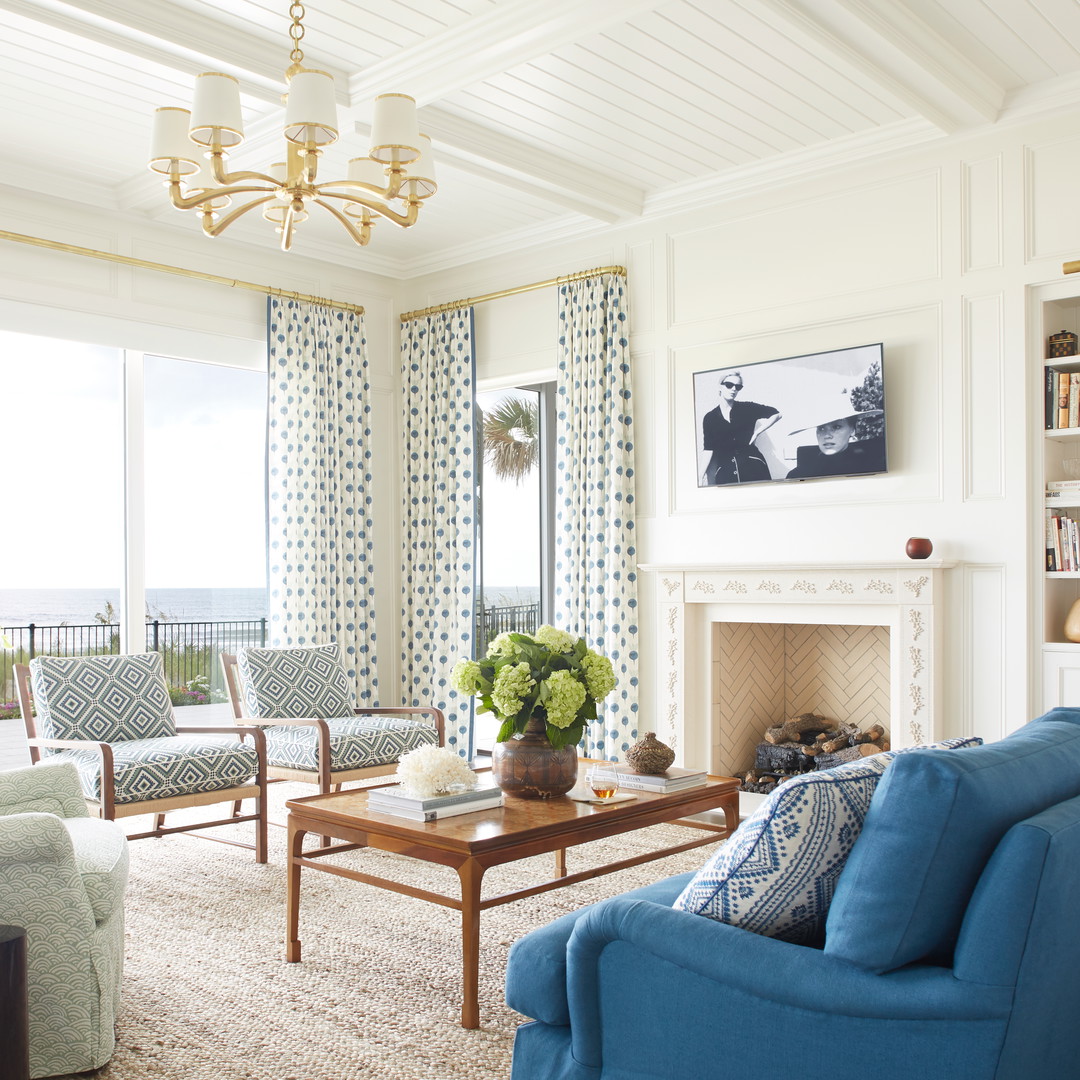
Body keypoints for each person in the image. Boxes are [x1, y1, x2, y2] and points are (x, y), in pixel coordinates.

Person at [699, 370, 781, 486]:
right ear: (720, 386)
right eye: (729, 385)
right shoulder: (710, 418)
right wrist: (700, 475)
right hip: (726, 471)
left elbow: (777, 414)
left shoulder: (747, 408)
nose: (733, 389)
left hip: (754, 467)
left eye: (738, 387)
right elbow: (708, 448)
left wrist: (757, 432)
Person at [786, 398, 885, 480]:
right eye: (821, 428)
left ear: (853, 430)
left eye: (836, 427)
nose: (827, 435)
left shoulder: (873, 469)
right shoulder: (798, 475)